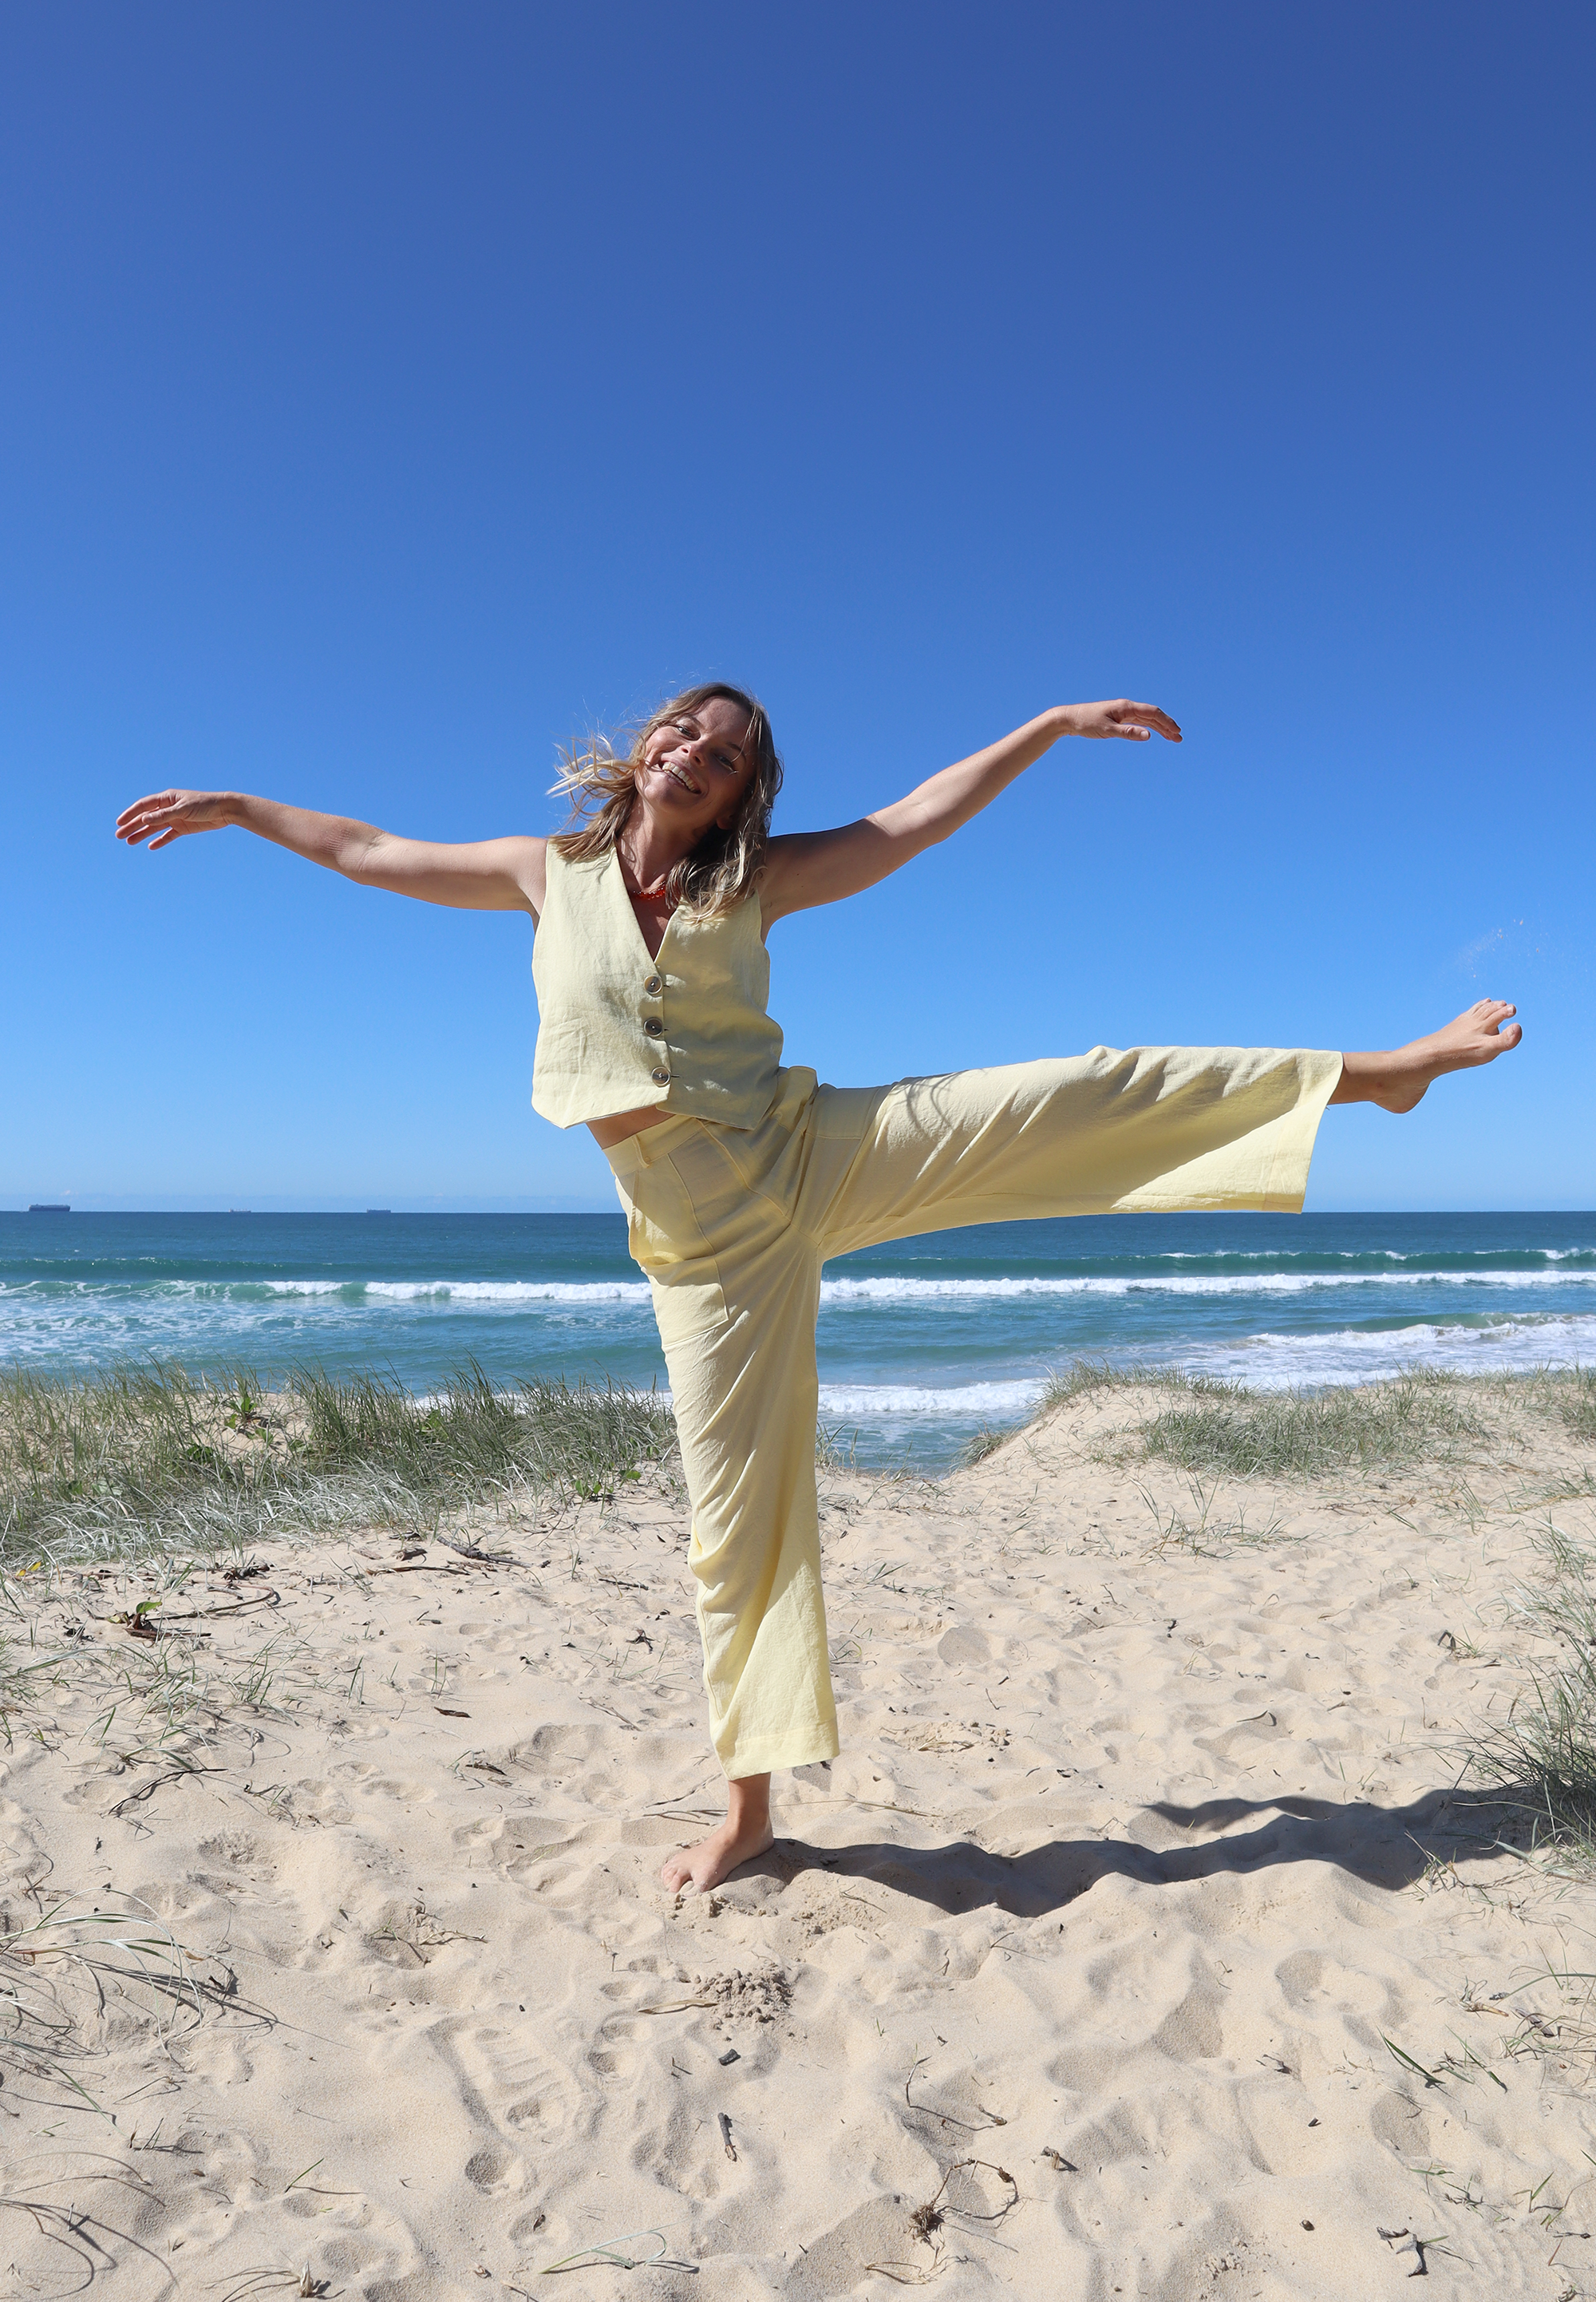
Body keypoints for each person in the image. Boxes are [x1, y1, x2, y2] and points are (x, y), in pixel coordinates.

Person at [117, 686, 1522, 1893]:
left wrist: (1041, 726)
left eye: (724, 754)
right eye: (686, 730)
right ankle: (753, 1819)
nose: (695, 752)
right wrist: (244, 807)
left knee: (1082, 1090)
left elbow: (912, 823)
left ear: (741, 796)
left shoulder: (756, 878)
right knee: (739, 1530)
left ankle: (1376, 1079)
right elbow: (369, 846)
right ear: (642, 747)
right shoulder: (542, 871)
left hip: (814, 1152)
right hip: (706, 1254)